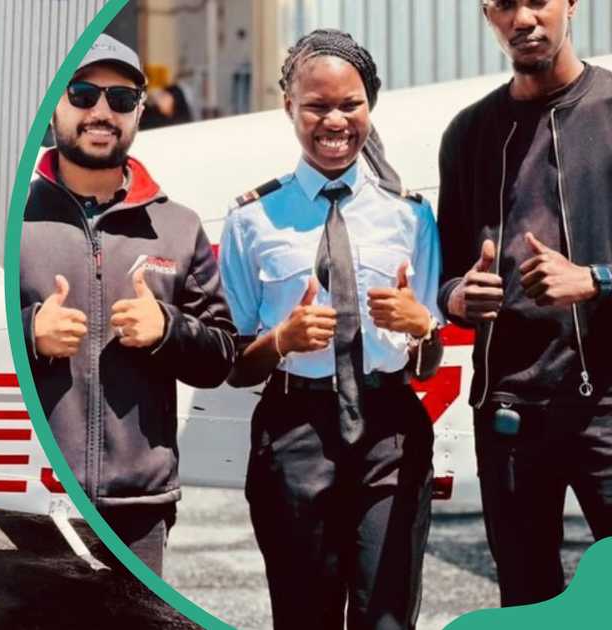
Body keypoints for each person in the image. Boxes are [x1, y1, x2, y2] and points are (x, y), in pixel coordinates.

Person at [219, 29, 444, 629]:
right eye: (317, 105)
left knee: (388, 616)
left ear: (371, 104)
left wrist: (424, 327)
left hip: (389, 432)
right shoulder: (250, 220)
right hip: (295, 433)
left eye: (351, 104)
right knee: (304, 615)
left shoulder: (411, 214)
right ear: (288, 106)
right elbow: (235, 363)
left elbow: (427, 363)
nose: (335, 120)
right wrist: (282, 341)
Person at [18, 33, 237, 576]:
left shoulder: (178, 226)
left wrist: (168, 330)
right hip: (34, 502)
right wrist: (28, 334)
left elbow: (223, 355)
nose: (101, 112)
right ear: (56, 105)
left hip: (139, 512)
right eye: (84, 93)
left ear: (139, 111)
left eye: (120, 100)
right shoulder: (14, 218)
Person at [436, 0, 612, 607]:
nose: (524, 18)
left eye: (538, 0)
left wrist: (595, 279)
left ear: (572, 5)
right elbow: (445, 276)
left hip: (608, 407)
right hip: (509, 410)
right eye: (505, 4)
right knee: (528, 602)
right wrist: (458, 296)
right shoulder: (469, 132)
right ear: (488, 14)